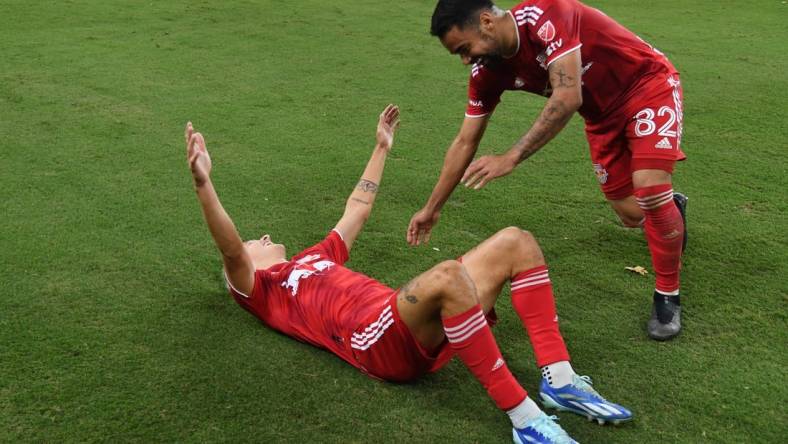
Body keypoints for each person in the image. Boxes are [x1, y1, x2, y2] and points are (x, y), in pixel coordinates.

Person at [185, 105, 631, 444]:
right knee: (449, 276)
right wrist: (205, 185)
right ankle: (527, 421)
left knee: (517, 241)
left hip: (398, 316)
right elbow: (228, 246)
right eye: (253, 243)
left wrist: (381, 148)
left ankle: (560, 381)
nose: (260, 237)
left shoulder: (314, 258)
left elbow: (357, 208)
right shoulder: (262, 290)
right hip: (370, 340)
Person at [408, 0, 689, 340]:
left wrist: (512, 155)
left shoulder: (548, 13)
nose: (466, 60)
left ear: (485, 22)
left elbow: (568, 97)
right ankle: (671, 209)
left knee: (650, 189)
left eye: (465, 49)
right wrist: (431, 208)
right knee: (632, 214)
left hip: (645, 86)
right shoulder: (487, 73)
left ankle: (667, 295)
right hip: (600, 118)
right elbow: (465, 141)